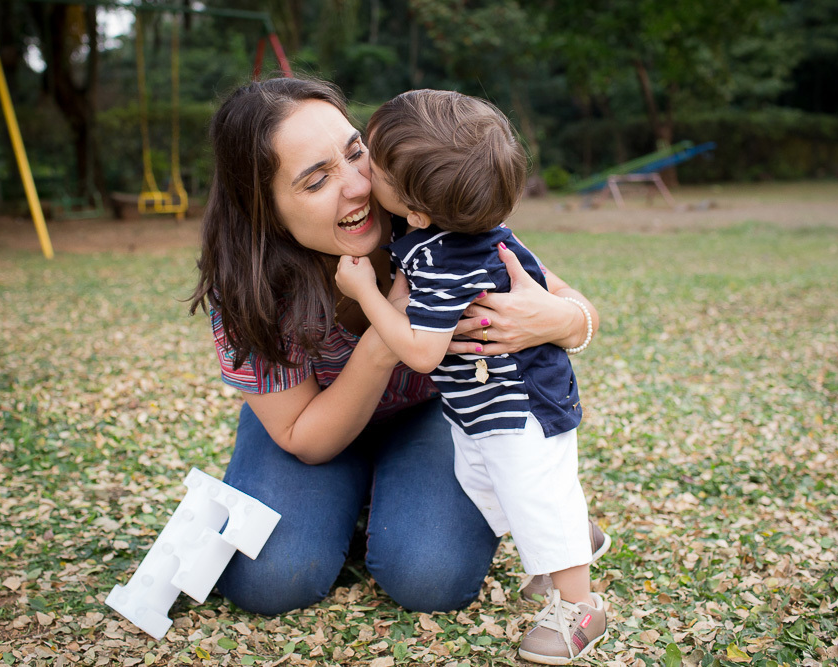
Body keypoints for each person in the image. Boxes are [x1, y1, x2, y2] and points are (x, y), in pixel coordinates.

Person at [187, 75, 601, 636]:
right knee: (270, 580)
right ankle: (355, 497)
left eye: (356, 152)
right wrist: (384, 343)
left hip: (435, 413)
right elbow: (306, 439)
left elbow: (567, 298)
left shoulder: (422, 209)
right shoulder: (247, 291)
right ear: (263, 205)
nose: (358, 186)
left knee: (432, 577)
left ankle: (407, 497)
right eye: (316, 180)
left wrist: (566, 320)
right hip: (313, 422)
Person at [334, 89, 607, 665]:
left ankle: (580, 606)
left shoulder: (442, 259)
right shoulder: (453, 231)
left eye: (374, 165)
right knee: (487, 485)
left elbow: (421, 352)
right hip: (482, 401)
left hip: (518, 400)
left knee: (531, 490)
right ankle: (570, 536)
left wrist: (366, 292)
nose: (364, 173)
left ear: (415, 210)